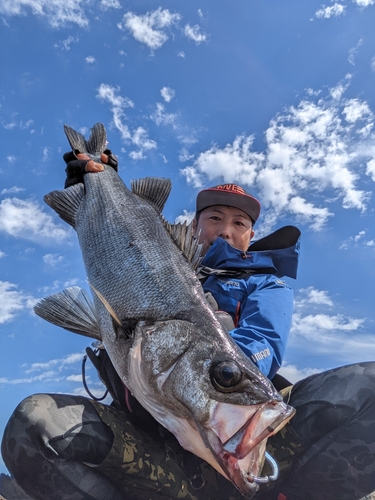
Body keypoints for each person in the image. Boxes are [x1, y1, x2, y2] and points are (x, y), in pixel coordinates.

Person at [2, 153, 375, 500]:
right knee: (33, 423)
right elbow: (120, 245)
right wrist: (92, 193)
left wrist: (224, 367)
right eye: (214, 217)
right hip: (159, 452)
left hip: (241, 440)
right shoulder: (154, 265)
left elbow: (264, 345)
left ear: (250, 236)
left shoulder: (266, 285)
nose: (226, 230)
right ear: (195, 227)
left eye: (239, 223)